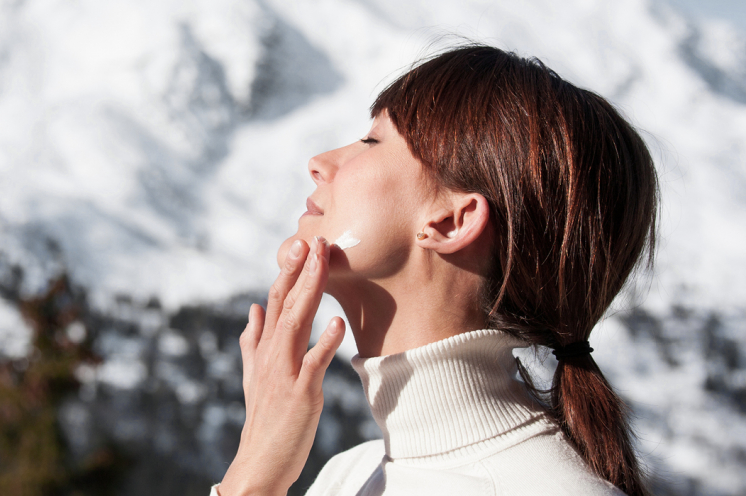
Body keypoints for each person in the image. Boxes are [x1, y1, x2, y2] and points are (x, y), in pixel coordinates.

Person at [212, 44, 658, 496]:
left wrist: (251, 480)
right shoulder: (347, 475)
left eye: (371, 141)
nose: (319, 163)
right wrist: (255, 466)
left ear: (451, 220)